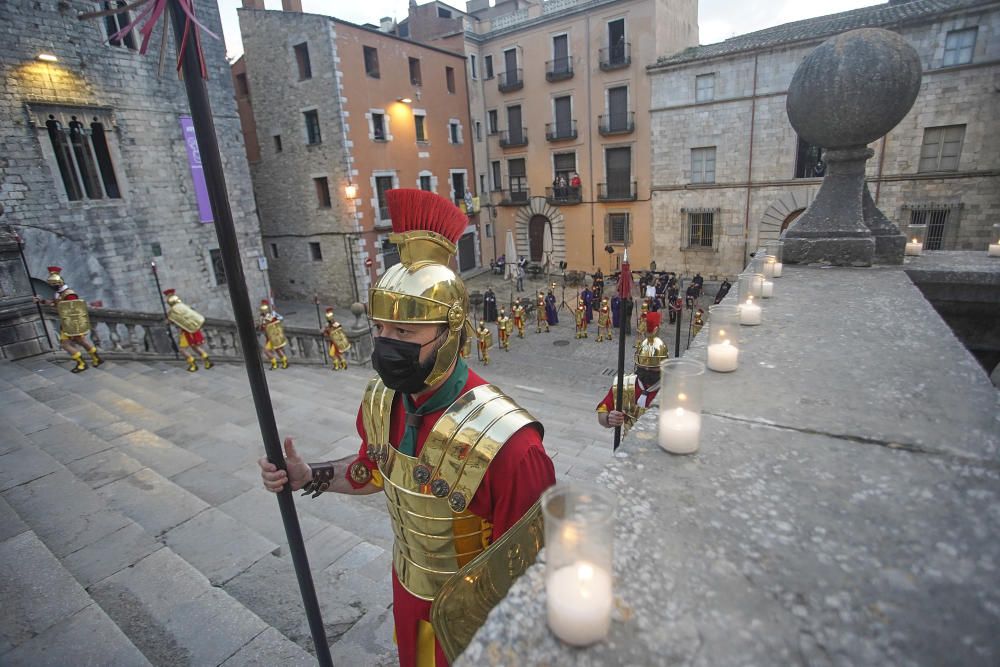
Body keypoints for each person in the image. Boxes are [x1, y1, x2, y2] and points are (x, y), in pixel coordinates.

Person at [258, 188, 554, 667]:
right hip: (406, 585)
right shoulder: (380, 400)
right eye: (380, 329)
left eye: (405, 332)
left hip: (475, 612)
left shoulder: (513, 446)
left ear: (450, 332)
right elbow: (376, 472)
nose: (385, 343)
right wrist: (309, 475)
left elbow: (529, 569)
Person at [596, 311, 667, 435]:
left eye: (653, 368)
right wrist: (608, 418)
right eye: (644, 368)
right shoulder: (625, 384)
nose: (648, 371)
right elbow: (603, 410)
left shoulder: (671, 390)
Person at [36, 266, 102, 373]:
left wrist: (72, 328)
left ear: (60, 283)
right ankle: (96, 359)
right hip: (67, 323)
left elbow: (73, 309)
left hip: (72, 323)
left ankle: (82, 363)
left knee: (65, 344)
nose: (52, 286)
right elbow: (54, 303)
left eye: (54, 284)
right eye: (51, 284)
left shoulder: (69, 294)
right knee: (82, 341)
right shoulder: (60, 294)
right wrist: (41, 301)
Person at [163, 288, 213, 372]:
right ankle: (207, 362)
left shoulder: (172, 312)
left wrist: (167, 320)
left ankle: (193, 364)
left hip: (186, 332)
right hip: (194, 328)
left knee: (182, 350)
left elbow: (169, 321)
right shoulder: (185, 306)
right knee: (195, 347)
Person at [258, 300, 289, 369]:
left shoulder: (269, 317)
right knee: (277, 350)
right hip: (269, 337)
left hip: (273, 337)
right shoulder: (264, 318)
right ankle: (279, 363)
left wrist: (263, 324)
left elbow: (272, 325)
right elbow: (262, 327)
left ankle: (277, 363)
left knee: (267, 350)